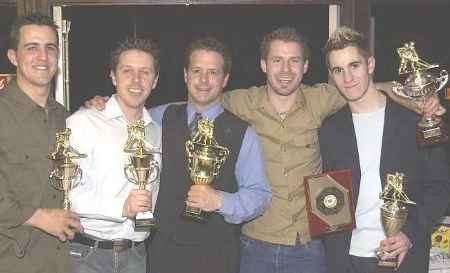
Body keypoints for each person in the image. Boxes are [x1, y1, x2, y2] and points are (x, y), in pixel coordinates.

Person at [85, 27, 443, 273]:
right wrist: (111, 101)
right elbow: (197, 98)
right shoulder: (237, 103)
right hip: (253, 247)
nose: (285, 70)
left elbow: (364, 86)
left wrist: (421, 98)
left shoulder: (325, 99)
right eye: (276, 60)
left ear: (306, 68)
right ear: (262, 65)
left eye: (293, 62)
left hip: (311, 250)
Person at [319, 26, 450, 273]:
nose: (347, 78)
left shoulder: (415, 121)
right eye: (339, 70)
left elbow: (440, 186)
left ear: (370, 64)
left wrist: (409, 234)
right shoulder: (329, 129)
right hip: (344, 259)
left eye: (354, 65)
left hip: (403, 256)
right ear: (331, 75)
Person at [148, 36, 271, 273]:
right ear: (186, 75)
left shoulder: (243, 132)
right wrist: (100, 103)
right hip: (162, 253)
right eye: (197, 71)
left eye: (213, 72)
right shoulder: (158, 117)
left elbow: (260, 195)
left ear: (225, 79)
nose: (203, 80)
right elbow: (123, 117)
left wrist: (220, 201)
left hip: (216, 255)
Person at [66, 37, 162, 273]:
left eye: (145, 72)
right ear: (113, 76)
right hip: (88, 255)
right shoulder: (82, 122)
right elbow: (63, 193)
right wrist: (120, 207)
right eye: (127, 70)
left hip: (137, 255)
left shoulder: (157, 131)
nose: (136, 80)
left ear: (156, 80)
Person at [0, 12, 82, 273]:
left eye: (50, 48)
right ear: (13, 56)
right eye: (31, 48)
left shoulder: (65, 118)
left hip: (61, 261)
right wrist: (38, 217)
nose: (42, 57)